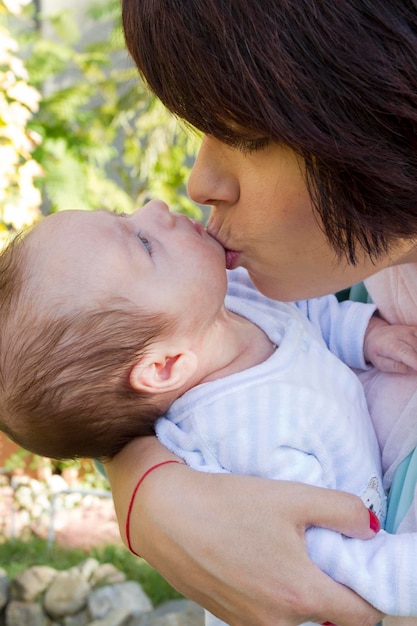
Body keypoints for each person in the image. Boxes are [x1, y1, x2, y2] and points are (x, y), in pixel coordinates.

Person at [101, 2, 417, 625]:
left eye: (247, 134)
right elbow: (105, 341)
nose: (197, 182)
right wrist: (148, 487)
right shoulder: (346, 278)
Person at [1, 202, 417, 626]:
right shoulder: (241, 444)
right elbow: (332, 565)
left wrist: (366, 334)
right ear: (164, 367)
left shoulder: (232, 296)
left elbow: (307, 313)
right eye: (145, 244)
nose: (155, 207)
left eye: (123, 216)